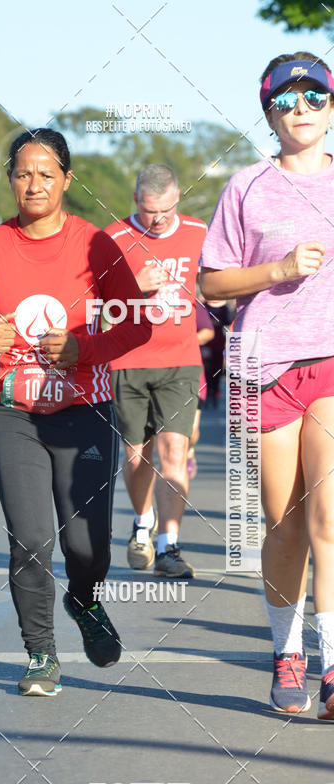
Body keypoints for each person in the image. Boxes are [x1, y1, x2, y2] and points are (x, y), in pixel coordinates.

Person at [0, 128, 150, 696]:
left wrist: (85, 347)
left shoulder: (97, 246)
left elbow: (138, 325)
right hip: (12, 414)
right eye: (22, 173)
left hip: (86, 411)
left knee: (86, 546)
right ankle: (40, 654)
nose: (33, 184)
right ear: (10, 180)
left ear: (66, 179)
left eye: (45, 173)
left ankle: (84, 599)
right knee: (31, 539)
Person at [200, 51, 334, 718]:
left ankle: (332, 664)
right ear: (268, 113)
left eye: (314, 97)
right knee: (284, 525)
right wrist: (279, 269)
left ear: (332, 107)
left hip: (331, 363)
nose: (300, 109)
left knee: (328, 517)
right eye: (286, 100)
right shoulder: (247, 187)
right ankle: (287, 652)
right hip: (265, 368)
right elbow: (212, 283)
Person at [105, 165, 206, 578]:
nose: (159, 219)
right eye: (150, 211)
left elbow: (219, 280)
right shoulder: (113, 238)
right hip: (128, 361)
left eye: (166, 210)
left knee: (174, 453)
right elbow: (90, 302)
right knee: (135, 456)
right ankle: (142, 521)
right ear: (136, 202)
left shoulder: (200, 232)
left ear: (178, 197)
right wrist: (132, 283)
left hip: (180, 361)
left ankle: (169, 546)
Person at [187, 294, 215, 479]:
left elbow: (208, 331)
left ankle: (188, 452)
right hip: (153, 372)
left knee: (190, 431)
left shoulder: (190, 301)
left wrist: (181, 343)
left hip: (191, 373)